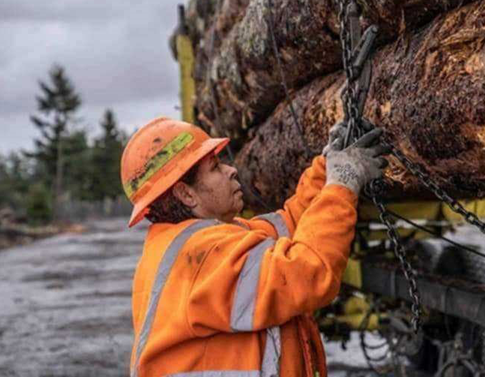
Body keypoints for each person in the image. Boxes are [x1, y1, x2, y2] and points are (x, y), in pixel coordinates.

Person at [121, 116, 389, 377]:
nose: (231, 170)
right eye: (215, 167)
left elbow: (292, 224)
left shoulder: (194, 244)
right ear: (186, 194)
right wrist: (342, 185)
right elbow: (306, 275)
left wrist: (327, 166)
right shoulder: (202, 258)